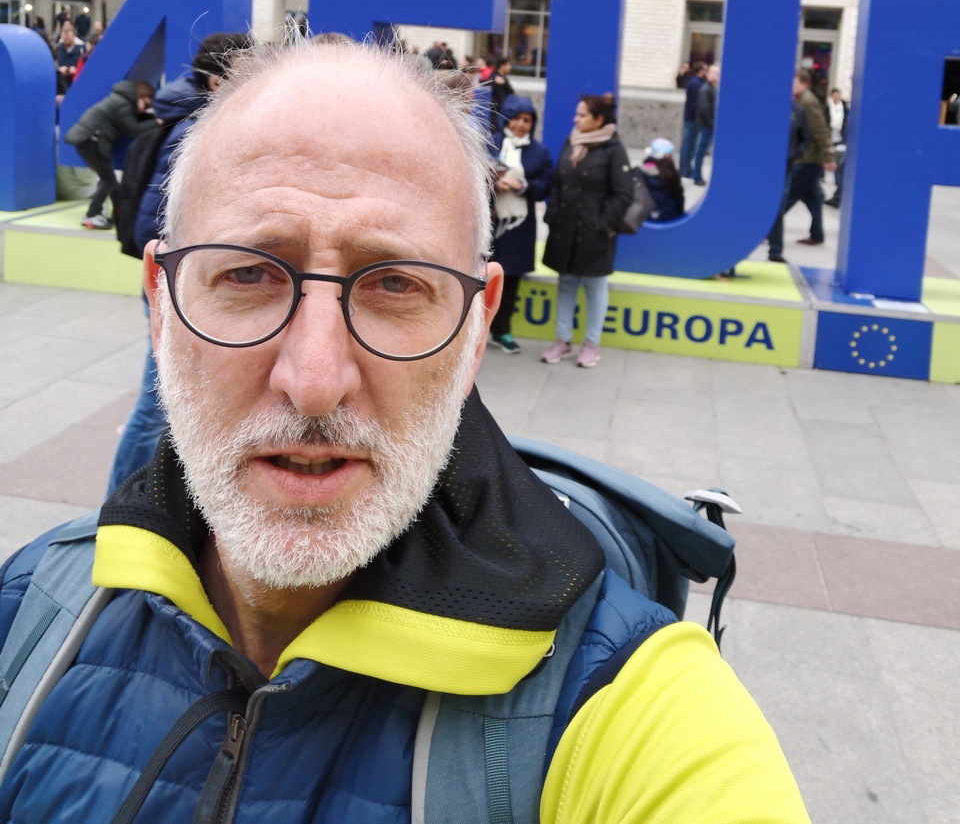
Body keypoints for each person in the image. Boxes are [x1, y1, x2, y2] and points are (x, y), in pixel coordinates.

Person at [0, 42, 809, 822]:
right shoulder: (30, 610)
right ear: (161, 304)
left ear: (474, 326)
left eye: (393, 283)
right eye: (248, 273)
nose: (313, 380)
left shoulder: (630, 709)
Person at [106, 31, 252, 495]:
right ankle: (114, 506)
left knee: (170, 400)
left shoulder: (184, 116)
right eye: (245, 73)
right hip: (175, 280)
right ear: (217, 81)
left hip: (176, 277)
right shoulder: (194, 129)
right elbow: (159, 218)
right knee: (156, 404)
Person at [541, 93, 634, 369]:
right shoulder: (572, 141)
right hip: (565, 229)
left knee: (595, 286)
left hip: (595, 233)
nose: (576, 119)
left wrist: (603, 225)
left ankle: (592, 344)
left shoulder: (614, 149)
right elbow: (558, 182)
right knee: (566, 284)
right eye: (577, 114)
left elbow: (623, 193)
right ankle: (563, 340)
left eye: (582, 115)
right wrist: (553, 214)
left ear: (599, 119)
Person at [487, 94, 553, 353]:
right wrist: (492, 184)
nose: (521, 124)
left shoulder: (540, 152)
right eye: (516, 118)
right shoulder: (490, 144)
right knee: (483, 277)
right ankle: (475, 332)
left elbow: (546, 185)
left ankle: (502, 331)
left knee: (511, 281)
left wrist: (522, 185)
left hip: (519, 227)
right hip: (490, 226)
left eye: (527, 120)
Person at [63, 79, 156, 230]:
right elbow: (133, 128)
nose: (144, 109)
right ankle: (92, 215)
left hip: (88, 140)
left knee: (109, 180)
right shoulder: (123, 103)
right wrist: (157, 122)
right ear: (141, 96)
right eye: (146, 105)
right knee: (108, 180)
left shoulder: (121, 99)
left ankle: (113, 215)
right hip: (92, 141)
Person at [788, 69, 835, 246]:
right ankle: (817, 234)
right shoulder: (801, 99)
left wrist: (828, 156)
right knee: (812, 197)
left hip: (808, 159)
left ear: (804, 83)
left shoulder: (808, 102)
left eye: (794, 81)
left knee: (789, 195)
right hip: (809, 159)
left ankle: (768, 230)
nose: (791, 84)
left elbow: (821, 130)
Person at [766, 100, 812, 264]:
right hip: (762, 167)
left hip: (785, 168)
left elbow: (807, 138)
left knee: (778, 208)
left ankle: (775, 251)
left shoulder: (798, 111)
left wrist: (793, 154)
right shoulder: (767, 106)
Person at [642, 137, 685, 222]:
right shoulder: (673, 175)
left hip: (646, 216)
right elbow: (679, 199)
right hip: (669, 217)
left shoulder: (642, 173)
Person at [691, 63, 720, 186]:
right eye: (714, 73)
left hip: (709, 124)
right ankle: (697, 176)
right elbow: (704, 109)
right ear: (708, 74)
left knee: (702, 151)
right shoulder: (705, 89)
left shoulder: (713, 88)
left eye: (718, 73)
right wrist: (712, 123)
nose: (717, 75)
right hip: (706, 125)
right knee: (700, 151)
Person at [678, 60, 706, 178]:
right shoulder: (696, 84)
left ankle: (685, 168)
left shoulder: (695, 82)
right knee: (688, 145)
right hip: (692, 119)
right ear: (700, 71)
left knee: (687, 144)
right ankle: (685, 170)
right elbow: (695, 103)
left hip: (690, 118)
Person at [824, 87, 850, 209]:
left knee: (840, 165)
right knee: (840, 166)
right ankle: (837, 196)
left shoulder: (845, 107)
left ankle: (838, 196)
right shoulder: (827, 107)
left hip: (841, 139)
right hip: (831, 137)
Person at [54, 21, 85, 96]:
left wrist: (77, 70)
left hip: (76, 83)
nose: (66, 37)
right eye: (64, 35)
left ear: (74, 35)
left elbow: (86, 65)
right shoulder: (57, 48)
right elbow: (53, 64)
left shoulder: (81, 49)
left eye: (69, 35)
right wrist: (59, 70)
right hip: (61, 85)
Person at [489, 55, 516, 133]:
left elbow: (511, 92)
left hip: (503, 114)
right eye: (508, 65)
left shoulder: (503, 78)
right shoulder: (494, 77)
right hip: (496, 116)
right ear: (502, 66)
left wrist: (504, 83)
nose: (510, 67)